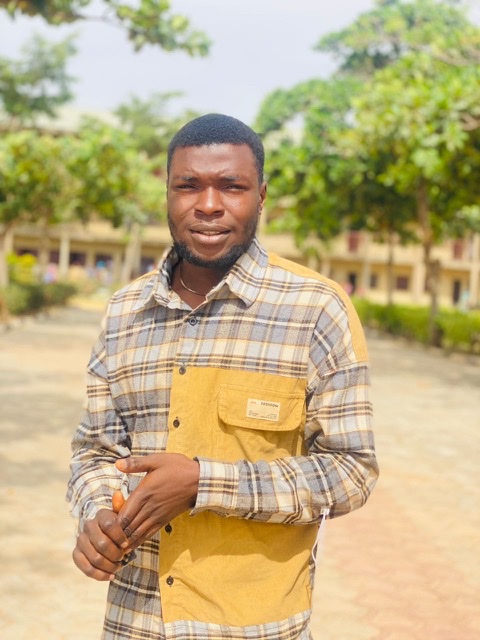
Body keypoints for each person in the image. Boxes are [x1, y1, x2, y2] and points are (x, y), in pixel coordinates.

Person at [67, 113, 378, 640]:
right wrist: (98, 515)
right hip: (135, 621)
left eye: (231, 186)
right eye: (188, 185)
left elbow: (351, 471)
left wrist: (202, 482)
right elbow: (95, 452)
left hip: (259, 627)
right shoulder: (124, 312)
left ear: (261, 195)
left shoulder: (315, 309)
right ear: (167, 194)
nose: (208, 204)